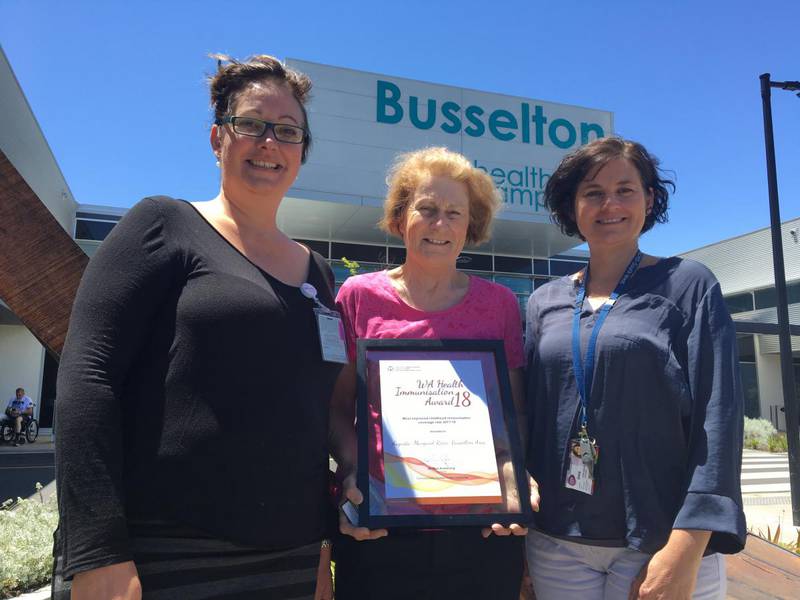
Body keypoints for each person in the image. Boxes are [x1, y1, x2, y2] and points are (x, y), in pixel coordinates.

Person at [53, 55, 341, 600]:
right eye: (251, 124)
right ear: (217, 138)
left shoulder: (319, 273)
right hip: (166, 552)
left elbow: (313, 412)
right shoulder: (163, 225)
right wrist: (98, 552)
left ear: (302, 150)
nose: (269, 143)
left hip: (291, 556)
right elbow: (87, 380)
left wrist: (322, 543)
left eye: (287, 131)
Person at [524, 137, 746, 600]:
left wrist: (687, 546)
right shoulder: (544, 300)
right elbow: (528, 411)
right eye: (592, 192)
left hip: (660, 539)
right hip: (558, 541)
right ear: (572, 205)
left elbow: (718, 417)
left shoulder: (689, 285)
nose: (610, 204)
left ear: (649, 198)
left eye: (625, 189)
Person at [328, 147, 538, 600]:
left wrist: (510, 474)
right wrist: (351, 471)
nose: (439, 224)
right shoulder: (359, 296)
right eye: (426, 208)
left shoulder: (499, 305)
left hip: (480, 531)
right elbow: (338, 407)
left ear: (470, 226)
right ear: (402, 217)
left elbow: (514, 412)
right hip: (381, 530)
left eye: (454, 213)